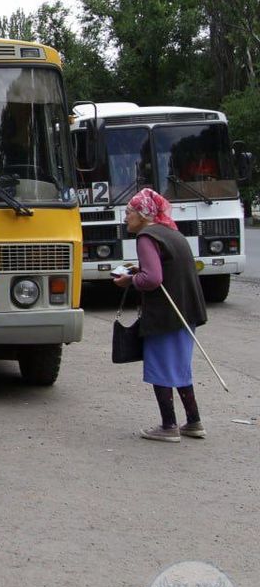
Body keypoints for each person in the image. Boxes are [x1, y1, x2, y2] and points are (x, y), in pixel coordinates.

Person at [112, 187, 208, 442]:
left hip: (165, 314)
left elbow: (153, 279)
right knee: (179, 367)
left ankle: (169, 426)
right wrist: (139, 269)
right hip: (186, 311)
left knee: (161, 367)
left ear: (143, 215)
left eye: (129, 212)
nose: (125, 217)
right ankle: (194, 422)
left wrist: (130, 280)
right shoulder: (170, 232)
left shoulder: (146, 237)